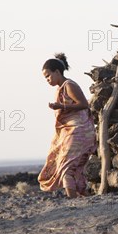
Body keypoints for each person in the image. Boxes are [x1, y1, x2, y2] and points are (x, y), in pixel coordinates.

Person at [38, 53, 96, 198]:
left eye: (48, 76)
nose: (47, 80)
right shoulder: (60, 88)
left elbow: (83, 104)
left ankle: (72, 199)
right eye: (45, 77)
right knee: (74, 168)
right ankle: (84, 197)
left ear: (57, 72)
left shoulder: (69, 85)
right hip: (71, 131)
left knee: (67, 167)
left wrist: (61, 106)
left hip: (79, 131)